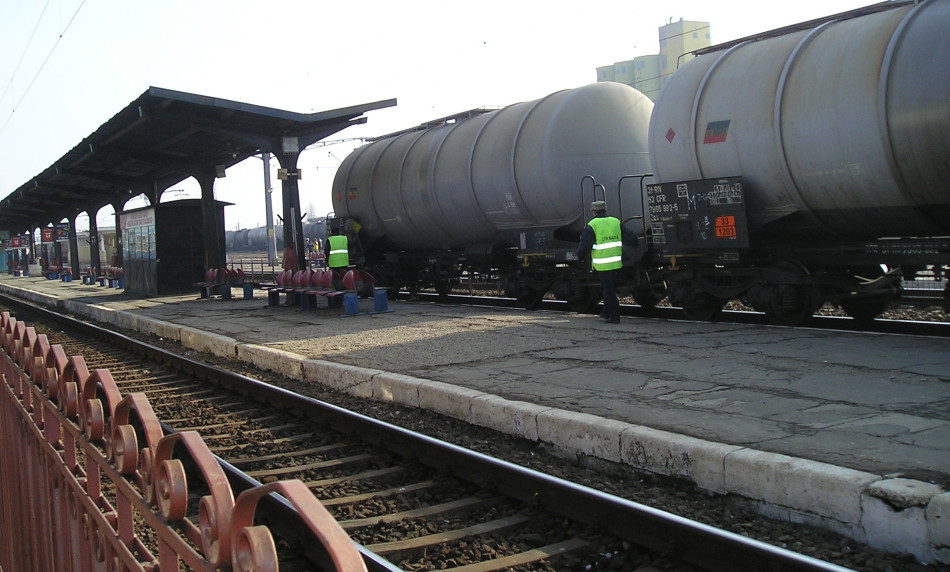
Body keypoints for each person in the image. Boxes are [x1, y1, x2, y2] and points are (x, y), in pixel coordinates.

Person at [577, 201, 637, 324]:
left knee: (609, 290)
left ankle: (614, 317)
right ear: (605, 210)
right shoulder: (615, 222)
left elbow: (584, 245)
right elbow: (630, 237)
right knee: (609, 288)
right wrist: (635, 244)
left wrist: (580, 257)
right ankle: (606, 313)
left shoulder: (592, 225)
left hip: (602, 265)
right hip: (616, 263)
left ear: (594, 212)